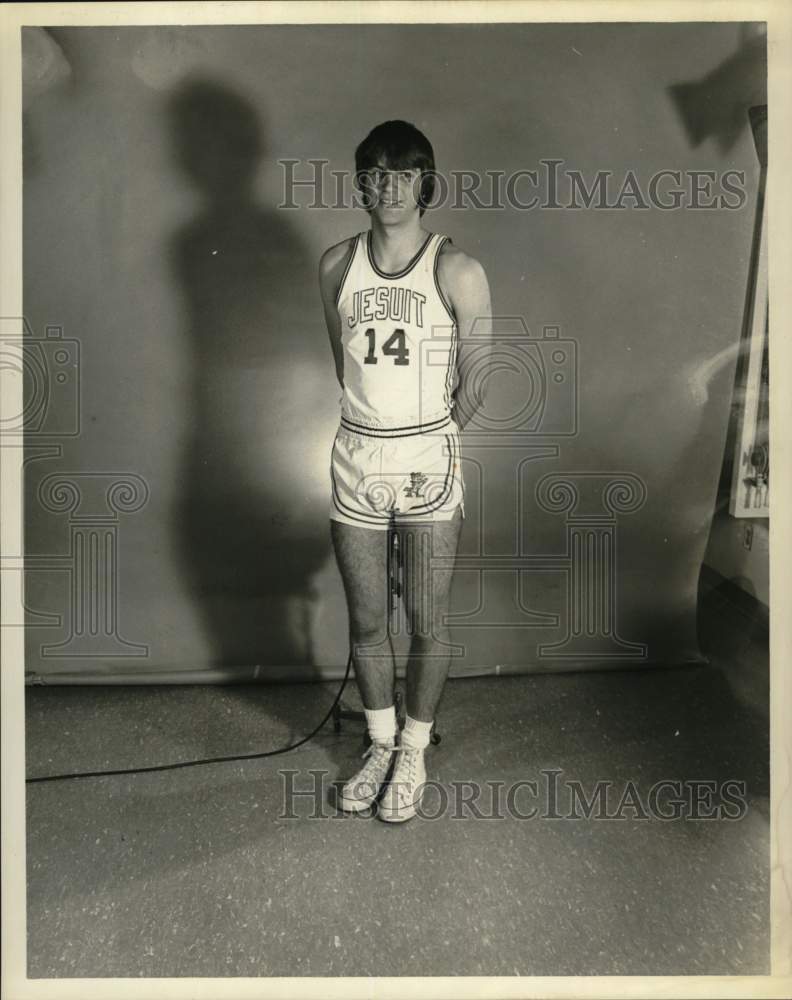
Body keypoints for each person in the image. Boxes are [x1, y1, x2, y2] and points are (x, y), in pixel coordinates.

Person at [318, 120, 492, 823]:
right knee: (366, 619)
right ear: (361, 181)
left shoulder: (457, 269)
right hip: (356, 452)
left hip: (425, 455)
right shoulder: (335, 264)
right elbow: (344, 363)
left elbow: (477, 379)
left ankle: (414, 749)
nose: (386, 186)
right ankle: (381, 742)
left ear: (425, 181)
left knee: (424, 616)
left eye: (401, 172)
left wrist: (429, 446)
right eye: (373, 172)